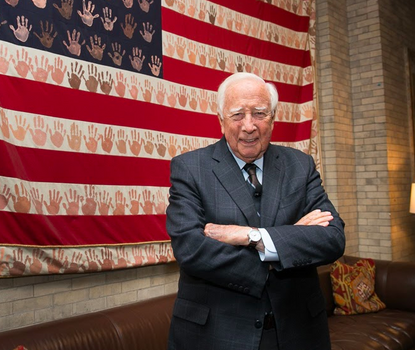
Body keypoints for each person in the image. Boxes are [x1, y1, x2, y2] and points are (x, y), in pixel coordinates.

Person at [166, 72, 345, 350]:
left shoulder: (300, 166)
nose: (249, 126)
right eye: (237, 114)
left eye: (259, 113)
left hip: (299, 332)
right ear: (221, 119)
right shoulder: (190, 168)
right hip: (216, 336)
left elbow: (332, 238)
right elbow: (191, 249)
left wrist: (254, 237)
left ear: (273, 118)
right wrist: (286, 245)